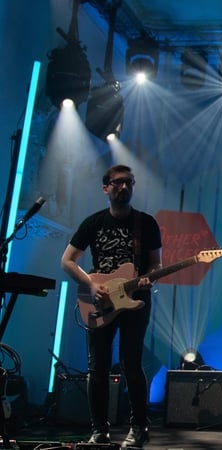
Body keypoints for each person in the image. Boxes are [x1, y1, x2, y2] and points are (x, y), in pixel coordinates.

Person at [61, 165, 162, 448]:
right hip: (99, 302)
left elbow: (156, 264)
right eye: (117, 183)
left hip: (135, 302)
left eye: (129, 182)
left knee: (132, 364)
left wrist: (148, 278)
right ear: (106, 188)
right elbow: (67, 260)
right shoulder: (93, 223)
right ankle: (99, 431)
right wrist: (91, 285)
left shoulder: (146, 223)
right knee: (98, 367)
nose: (124, 187)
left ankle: (139, 428)